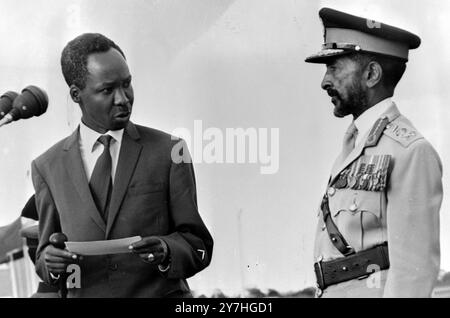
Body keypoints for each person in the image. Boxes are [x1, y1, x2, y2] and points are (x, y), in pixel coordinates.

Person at [31, 33, 213, 297]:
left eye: (127, 84)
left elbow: (198, 245)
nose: (123, 98)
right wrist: (50, 261)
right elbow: (44, 257)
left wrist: (166, 249)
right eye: (107, 90)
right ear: (75, 94)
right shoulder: (46, 166)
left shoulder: (171, 151)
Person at [305, 8, 442, 297]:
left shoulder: (410, 152)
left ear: (371, 74)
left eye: (334, 67)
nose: (325, 81)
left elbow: (412, 277)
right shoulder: (352, 147)